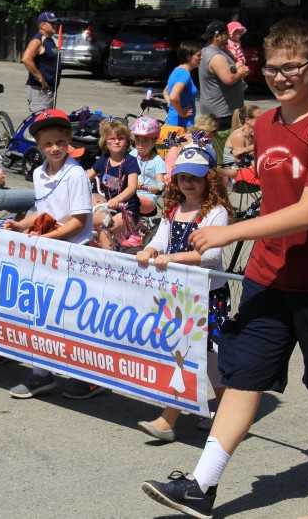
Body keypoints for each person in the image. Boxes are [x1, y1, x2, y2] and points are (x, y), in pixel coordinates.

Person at [142, 19, 308, 519]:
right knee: (244, 375)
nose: (282, 77)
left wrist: (229, 230)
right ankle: (201, 484)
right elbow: (275, 189)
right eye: (275, 68)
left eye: (293, 67)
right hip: (270, 273)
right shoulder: (264, 125)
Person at [135, 143, 231, 443]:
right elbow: (161, 239)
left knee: (187, 351)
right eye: (183, 176)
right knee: (205, 357)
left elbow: (212, 256)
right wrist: (149, 249)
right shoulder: (174, 209)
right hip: (177, 293)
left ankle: (168, 419)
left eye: (196, 177)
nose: (188, 182)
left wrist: (172, 259)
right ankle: (228, 408)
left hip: (204, 294)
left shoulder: (216, 212)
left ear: (208, 179)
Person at [3, 109, 98, 400]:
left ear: (69, 140)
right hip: (48, 252)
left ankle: (88, 377)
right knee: (39, 314)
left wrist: (44, 238)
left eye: (59, 141)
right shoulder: (39, 173)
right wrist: (22, 225)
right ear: (39, 145)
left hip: (73, 254)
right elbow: (44, 212)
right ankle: (41, 374)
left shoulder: (75, 174)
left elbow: (77, 222)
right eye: (47, 143)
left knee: (73, 319)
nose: (54, 148)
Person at [91, 120, 141, 250]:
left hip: (126, 210)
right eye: (112, 138)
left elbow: (132, 188)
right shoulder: (104, 159)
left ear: (127, 141)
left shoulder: (130, 161)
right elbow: (86, 177)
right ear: (105, 142)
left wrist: (116, 200)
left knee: (104, 228)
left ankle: (107, 262)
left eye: (120, 138)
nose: (116, 141)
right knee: (85, 224)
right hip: (106, 207)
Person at [199, 20, 250, 132]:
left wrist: (237, 68)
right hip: (222, 113)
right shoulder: (215, 56)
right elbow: (228, 79)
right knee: (222, 144)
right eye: (226, 34)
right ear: (217, 36)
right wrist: (240, 72)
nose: (228, 37)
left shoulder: (218, 50)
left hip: (223, 110)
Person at [22, 11, 60, 113]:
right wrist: (40, 77)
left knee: (47, 124)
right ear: (42, 25)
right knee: (41, 123)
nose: (55, 25)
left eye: (55, 23)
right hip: (39, 91)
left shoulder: (50, 40)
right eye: (52, 23)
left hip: (49, 91)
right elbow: (26, 59)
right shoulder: (38, 40)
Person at [129, 116, 166, 215]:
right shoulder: (132, 154)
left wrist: (142, 187)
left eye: (145, 140)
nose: (140, 145)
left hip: (147, 197)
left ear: (154, 141)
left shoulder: (157, 161)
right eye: (137, 139)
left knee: (131, 201)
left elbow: (160, 186)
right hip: (129, 193)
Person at [165, 41, 202, 128]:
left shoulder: (177, 70)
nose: (201, 57)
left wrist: (172, 106)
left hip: (174, 123)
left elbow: (166, 91)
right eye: (198, 55)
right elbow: (173, 96)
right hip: (181, 125)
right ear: (188, 57)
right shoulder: (184, 74)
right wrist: (181, 113)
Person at [221, 104, 262, 184]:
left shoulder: (253, 133)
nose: (262, 120)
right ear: (247, 120)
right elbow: (240, 161)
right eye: (259, 118)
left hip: (247, 167)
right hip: (236, 173)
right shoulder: (239, 135)